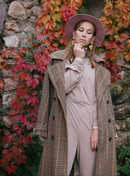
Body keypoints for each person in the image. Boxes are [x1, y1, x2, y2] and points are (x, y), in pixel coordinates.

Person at [35, 14, 117, 176]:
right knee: (59, 170)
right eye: (81, 30)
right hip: (65, 119)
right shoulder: (58, 61)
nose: (84, 34)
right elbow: (63, 88)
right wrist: (78, 60)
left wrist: (96, 129)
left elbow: (97, 101)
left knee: (89, 172)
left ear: (92, 38)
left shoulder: (98, 66)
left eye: (88, 32)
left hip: (89, 120)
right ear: (73, 33)